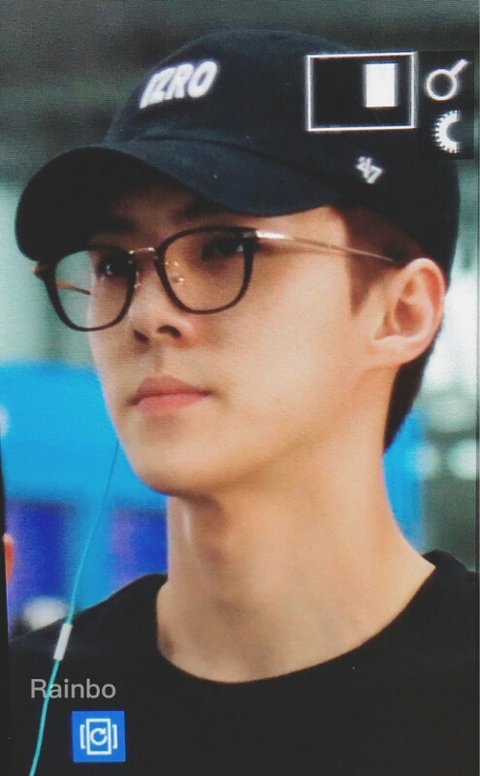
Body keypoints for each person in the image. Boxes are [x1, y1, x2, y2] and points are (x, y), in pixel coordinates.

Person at [10, 30, 477, 776]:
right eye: (112, 264)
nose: (147, 314)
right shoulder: (33, 708)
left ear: (402, 312)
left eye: (226, 247)